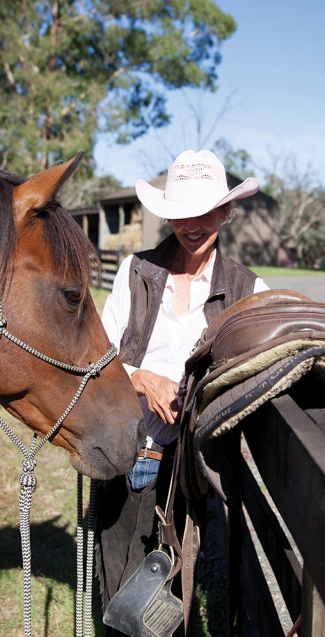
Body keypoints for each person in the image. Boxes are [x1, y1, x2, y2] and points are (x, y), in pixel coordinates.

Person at [96, 150, 269, 623]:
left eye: (205, 212)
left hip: (195, 465)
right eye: (180, 214)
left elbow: (261, 368)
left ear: (226, 212)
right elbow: (97, 356)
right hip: (131, 449)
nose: (191, 225)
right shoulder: (136, 272)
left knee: (180, 596)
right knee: (122, 593)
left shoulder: (249, 290)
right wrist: (138, 377)